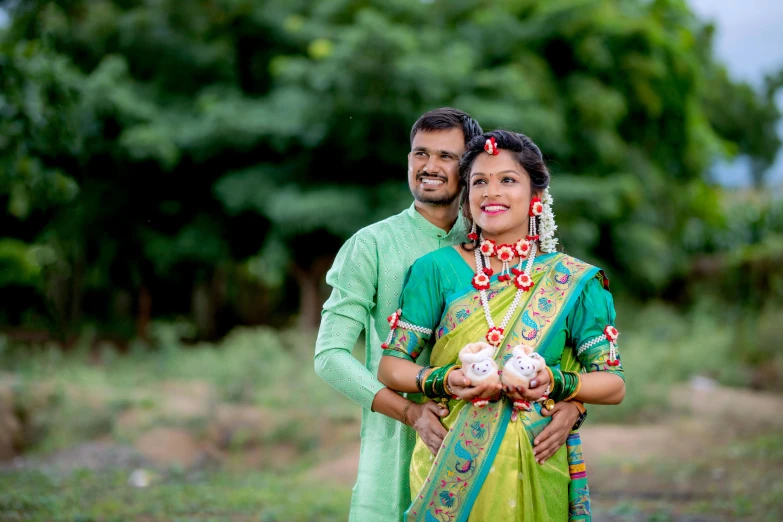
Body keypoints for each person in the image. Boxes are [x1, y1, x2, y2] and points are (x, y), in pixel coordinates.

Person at [314, 112, 585, 521]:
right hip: (393, 442)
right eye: (420, 153)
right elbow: (329, 356)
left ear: (469, 168)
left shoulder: (497, 235)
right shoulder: (371, 244)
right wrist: (410, 414)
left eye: (446, 156)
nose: (430, 166)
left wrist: (576, 406)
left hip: (489, 453)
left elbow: (556, 341)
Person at [378, 130, 626, 521]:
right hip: (450, 464)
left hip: (537, 459)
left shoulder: (573, 281)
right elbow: (391, 366)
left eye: (507, 180)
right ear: (467, 198)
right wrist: (443, 379)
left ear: (536, 199)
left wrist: (562, 388)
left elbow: (612, 383)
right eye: (479, 182)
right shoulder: (435, 270)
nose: (491, 192)